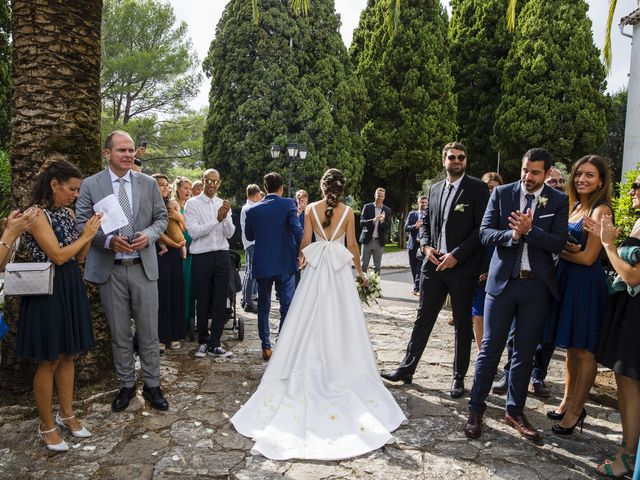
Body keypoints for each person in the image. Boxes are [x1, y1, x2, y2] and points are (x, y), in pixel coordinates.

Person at [231, 168, 407, 460]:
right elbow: (352, 246)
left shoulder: (310, 209)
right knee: (341, 320)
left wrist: (302, 259)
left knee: (306, 317)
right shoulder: (349, 212)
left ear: (322, 187)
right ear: (341, 187)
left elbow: (306, 243)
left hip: (316, 272)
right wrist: (362, 275)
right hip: (338, 274)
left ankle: (305, 361)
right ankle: (340, 364)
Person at [464, 148, 568, 443]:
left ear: (547, 173)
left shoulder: (558, 201)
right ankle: (476, 408)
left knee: (523, 353)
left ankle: (514, 410)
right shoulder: (502, 194)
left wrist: (531, 230)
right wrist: (512, 236)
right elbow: (484, 233)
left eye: (535, 172)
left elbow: (559, 243)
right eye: (525, 170)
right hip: (502, 285)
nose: (528, 177)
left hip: (536, 288)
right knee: (490, 348)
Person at [381, 142, 489, 399]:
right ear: (444, 161)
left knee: (462, 324)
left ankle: (457, 377)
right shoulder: (435, 188)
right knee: (423, 318)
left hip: (462, 268)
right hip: (433, 263)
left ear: (466, 160)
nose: (457, 161)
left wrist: (457, 256)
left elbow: (480, 229)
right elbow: (426, 222)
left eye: (461, 157)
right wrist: (426, 246)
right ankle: (407, 369)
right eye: (452, 157)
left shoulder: (477, 188)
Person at [76, 130, 169, 413]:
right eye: (122, 151)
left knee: (149, 332)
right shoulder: (91, 184)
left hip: (143, 267)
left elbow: (161, 218)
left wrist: (150, 235)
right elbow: (82, 221)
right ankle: (126, 384)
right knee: (119, 333)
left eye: (131, 150)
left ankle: (152, 385)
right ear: (107, 154)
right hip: (111, 269)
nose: (128, 155)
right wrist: (106, 241)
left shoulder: (148, 183)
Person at [16, 160, 102, 451]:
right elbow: (58, 255)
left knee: (69, 354)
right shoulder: (36, 215)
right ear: (54, 185)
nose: (76, 195)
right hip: (47, 290)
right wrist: (87, 236)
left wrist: (88, 234)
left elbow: (78, 258)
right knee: (49, 358)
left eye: (78, 189)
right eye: (72, 189)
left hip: (69, 286)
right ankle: (46, 425)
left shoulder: (66, 213)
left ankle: (67, 414)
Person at [543, 155, 612, 435]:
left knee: (584, 351)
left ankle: (576, 410)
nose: (582, 179)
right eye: (579, 174)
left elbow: (588, 258)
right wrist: (562, 247)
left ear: (602, 181)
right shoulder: (573, 206)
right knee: (571, 348)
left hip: (585, 284)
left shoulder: (600, 210)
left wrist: (557, 248)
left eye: (590, 175)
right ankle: (567, 401)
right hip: (567, 281)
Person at [585, 176, 640, 477]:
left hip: (636, 314)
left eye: (638, 186)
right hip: (628, 311)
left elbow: (632, 276)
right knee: (625, 381)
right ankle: (627, 447)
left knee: (630, 381)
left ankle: (629, 457)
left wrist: (607, 245)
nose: (632, 190)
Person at [245, 172, 303, 361]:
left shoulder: (253, 210)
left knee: (264, 304)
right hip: (285, 262)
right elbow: (296, 230)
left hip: (262, 263)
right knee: (287, 304)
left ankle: (266, 346)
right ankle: (283, 343)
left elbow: (250, 235)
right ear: (282, 188)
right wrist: (305, 250)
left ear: (265, 188)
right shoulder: (288, 204)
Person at [184, 169, 235, 359]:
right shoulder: (192, 204)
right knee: (203, 299)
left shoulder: (223, 204)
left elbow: (229, 233)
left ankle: (216, 343)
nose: (212, 185)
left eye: (216, 182)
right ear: (203, 181)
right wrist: (217, 220)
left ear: (219, 183)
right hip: (202, 256)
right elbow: (194, 233)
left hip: (222, 254)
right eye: (209, 181)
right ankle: (203, 342)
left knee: (220, 300)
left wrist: (226, 218)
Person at [153, 174, 186, 352]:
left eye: (166, 185)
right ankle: (161, 336)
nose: (165, 188)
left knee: (175, 291)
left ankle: (174, 334)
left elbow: (182, 228)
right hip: (160, 252)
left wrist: (179, 218)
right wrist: (173, 244)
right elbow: (155, 230)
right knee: (162, 293)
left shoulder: (172, 205)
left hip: (175, 253)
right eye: (160, 185)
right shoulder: (149, 204)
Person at [471, 172, 504, 351]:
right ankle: (482, 352)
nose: (492, 191)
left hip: (500, 267)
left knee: (497, 316)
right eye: (489, 188)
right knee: (479, 313)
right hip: (479, 267)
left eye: (496, 188)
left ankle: (492, 351)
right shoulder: (476, 209)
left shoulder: (507, 211)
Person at [172, 176, 195, 337]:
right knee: (179, 288)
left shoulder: (192, 206)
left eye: (189, 188)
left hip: (193, 251)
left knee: (190, 289)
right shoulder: (173, 206)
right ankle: (178, 324)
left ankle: (189, 322)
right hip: (177, 251)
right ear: (178, 189)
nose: (188, 191)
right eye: (185, 188)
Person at [240, 184, 262, 313]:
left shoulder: (248, 207)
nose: (260, 197)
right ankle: (248, 302)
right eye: (259, 194)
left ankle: (245, 299)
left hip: (250, 243)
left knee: (249, 271)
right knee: (251, 272)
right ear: (255, 194)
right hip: (252, 242)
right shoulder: (250, 208)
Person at [360, 187, 391, 274]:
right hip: (367, 241)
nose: (380, 198)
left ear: (384, 197)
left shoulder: (387, 210)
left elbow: (387, 226)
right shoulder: (367, 207)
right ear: (375, 195)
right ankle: (362, 286)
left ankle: (375, 287)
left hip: (379, 242)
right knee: (363, 265)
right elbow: (362, 222)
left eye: (382, 196)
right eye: (378, 195)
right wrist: (373, 220)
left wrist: (382, 221)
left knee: (377, 267)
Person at [405, 194, 428, 295]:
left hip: (423, 245)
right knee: (413, 266)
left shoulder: (429, 214)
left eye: (425, 202)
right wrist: (415, 226)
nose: (423, 204)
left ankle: (417, 287)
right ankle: (416, 285)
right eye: (421, 202)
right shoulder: (412, 214)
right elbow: (406, 228)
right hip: (413, 245)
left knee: (420, 266)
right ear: (418, 203)